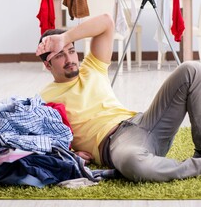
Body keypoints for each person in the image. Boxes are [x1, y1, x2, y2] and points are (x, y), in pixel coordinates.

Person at [36, 13, 201, 182]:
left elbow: (106, 21)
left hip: (144, 121)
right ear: (47, 65)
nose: (69, 59)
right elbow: (38, 141)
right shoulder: (43, 99)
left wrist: (64, 38)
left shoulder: (92, 67)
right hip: (118, 144)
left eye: (71, 51)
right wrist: (70, 154)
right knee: (135, 164)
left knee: (192, 70)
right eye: (59, 55)